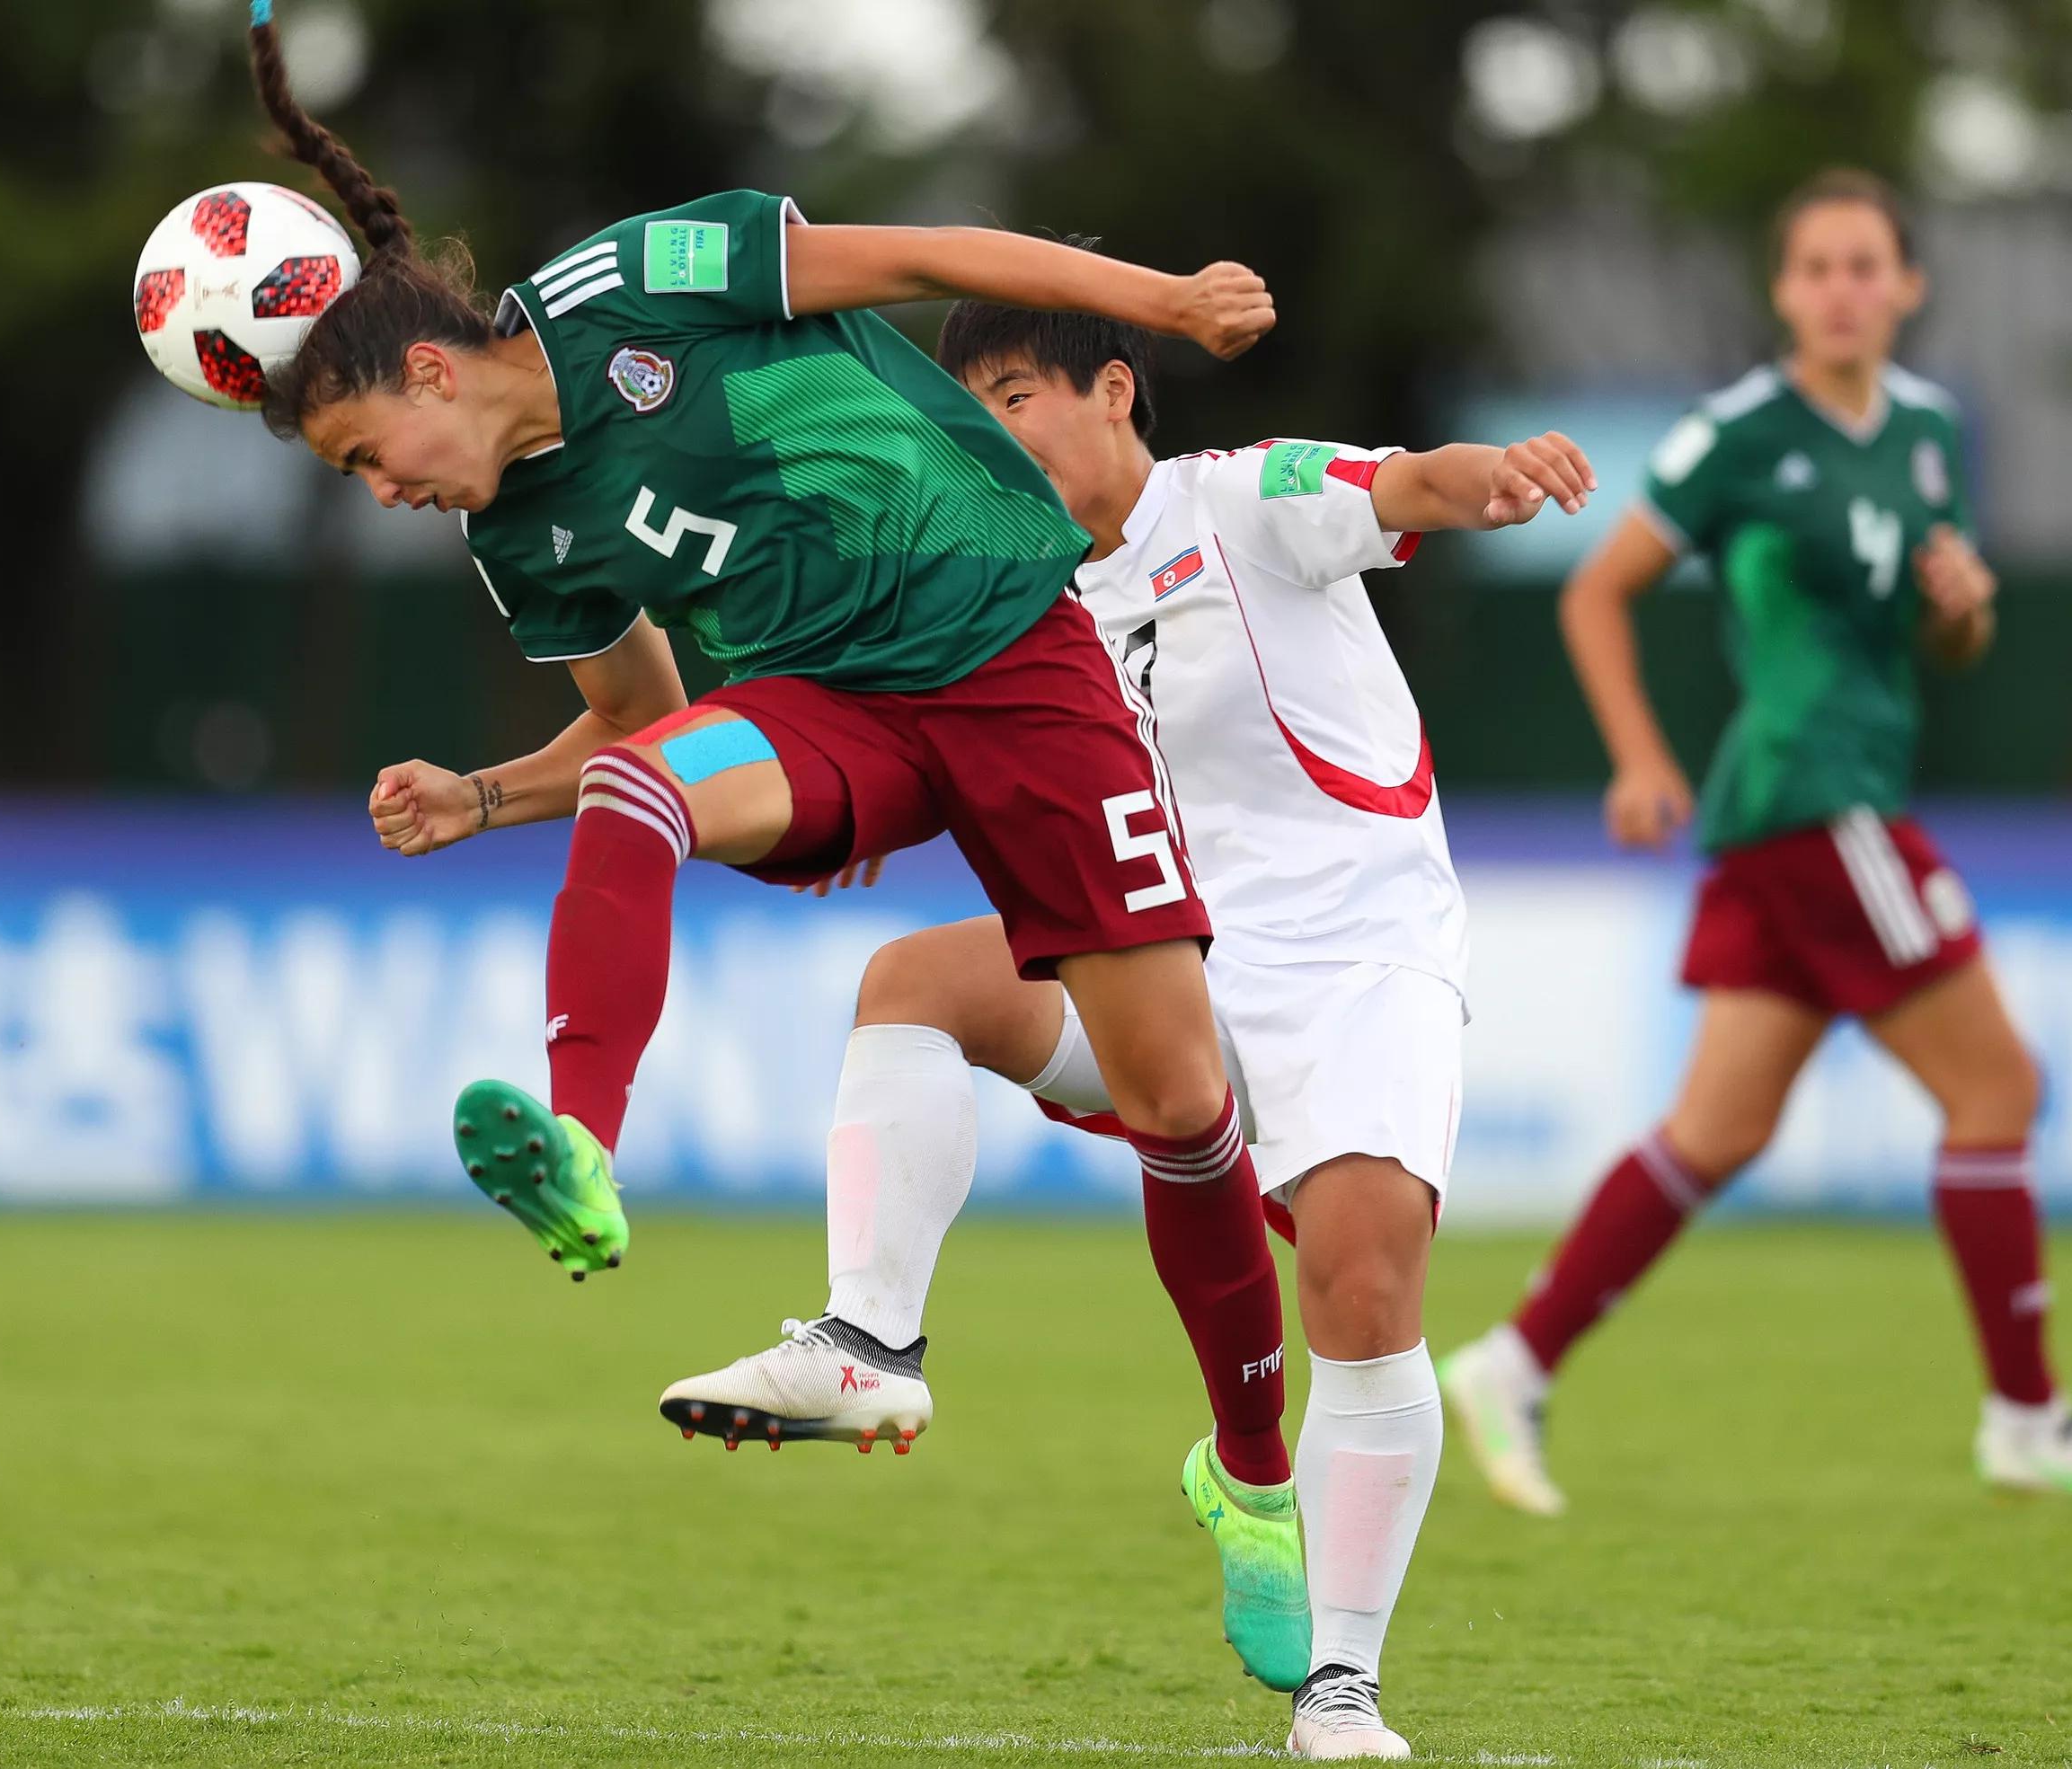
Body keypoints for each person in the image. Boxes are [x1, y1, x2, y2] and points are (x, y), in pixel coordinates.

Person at [233, 5, 1303, 1557]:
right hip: (832, 714)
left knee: (1184, 1104)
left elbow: (933, 257)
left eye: (365, 454)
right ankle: (582, 1148)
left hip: (1011, 649)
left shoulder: (632, 285)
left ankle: (1255, 1478)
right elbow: (638, 726)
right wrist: (482, 799)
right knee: (641, 797)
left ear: (424, 367)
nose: (383, 490)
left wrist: (1162, 300)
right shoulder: (515, 539)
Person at [660, 287, 1594, 1760]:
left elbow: (1403, 483)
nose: (992, 436)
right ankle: (866, 1339)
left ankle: (1341, 1683)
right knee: (912, 982)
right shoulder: (994, 598)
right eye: (966, 420)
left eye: (1015, 396)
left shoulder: (1243, 502)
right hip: (1161, 966)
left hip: (1360, 961)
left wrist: (1503, 476)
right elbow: (867, 738)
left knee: (1361, 1283)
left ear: (1113, 393)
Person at [1437, 169, 2072, 1517]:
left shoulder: (1926, 432)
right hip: (1816, 797)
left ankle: (1514, 1359)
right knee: (1998, 1090)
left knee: (1717, 1129)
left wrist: (1964, 605)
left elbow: (1946, 637)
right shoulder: (1739, 433)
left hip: (1818, 806)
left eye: (1867, 266)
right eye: (1817, 268)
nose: (1842, 289)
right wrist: (1639, 753)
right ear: (1784, 290)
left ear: (1907, 284)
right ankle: (2027, 1413)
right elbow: (1600, 593)